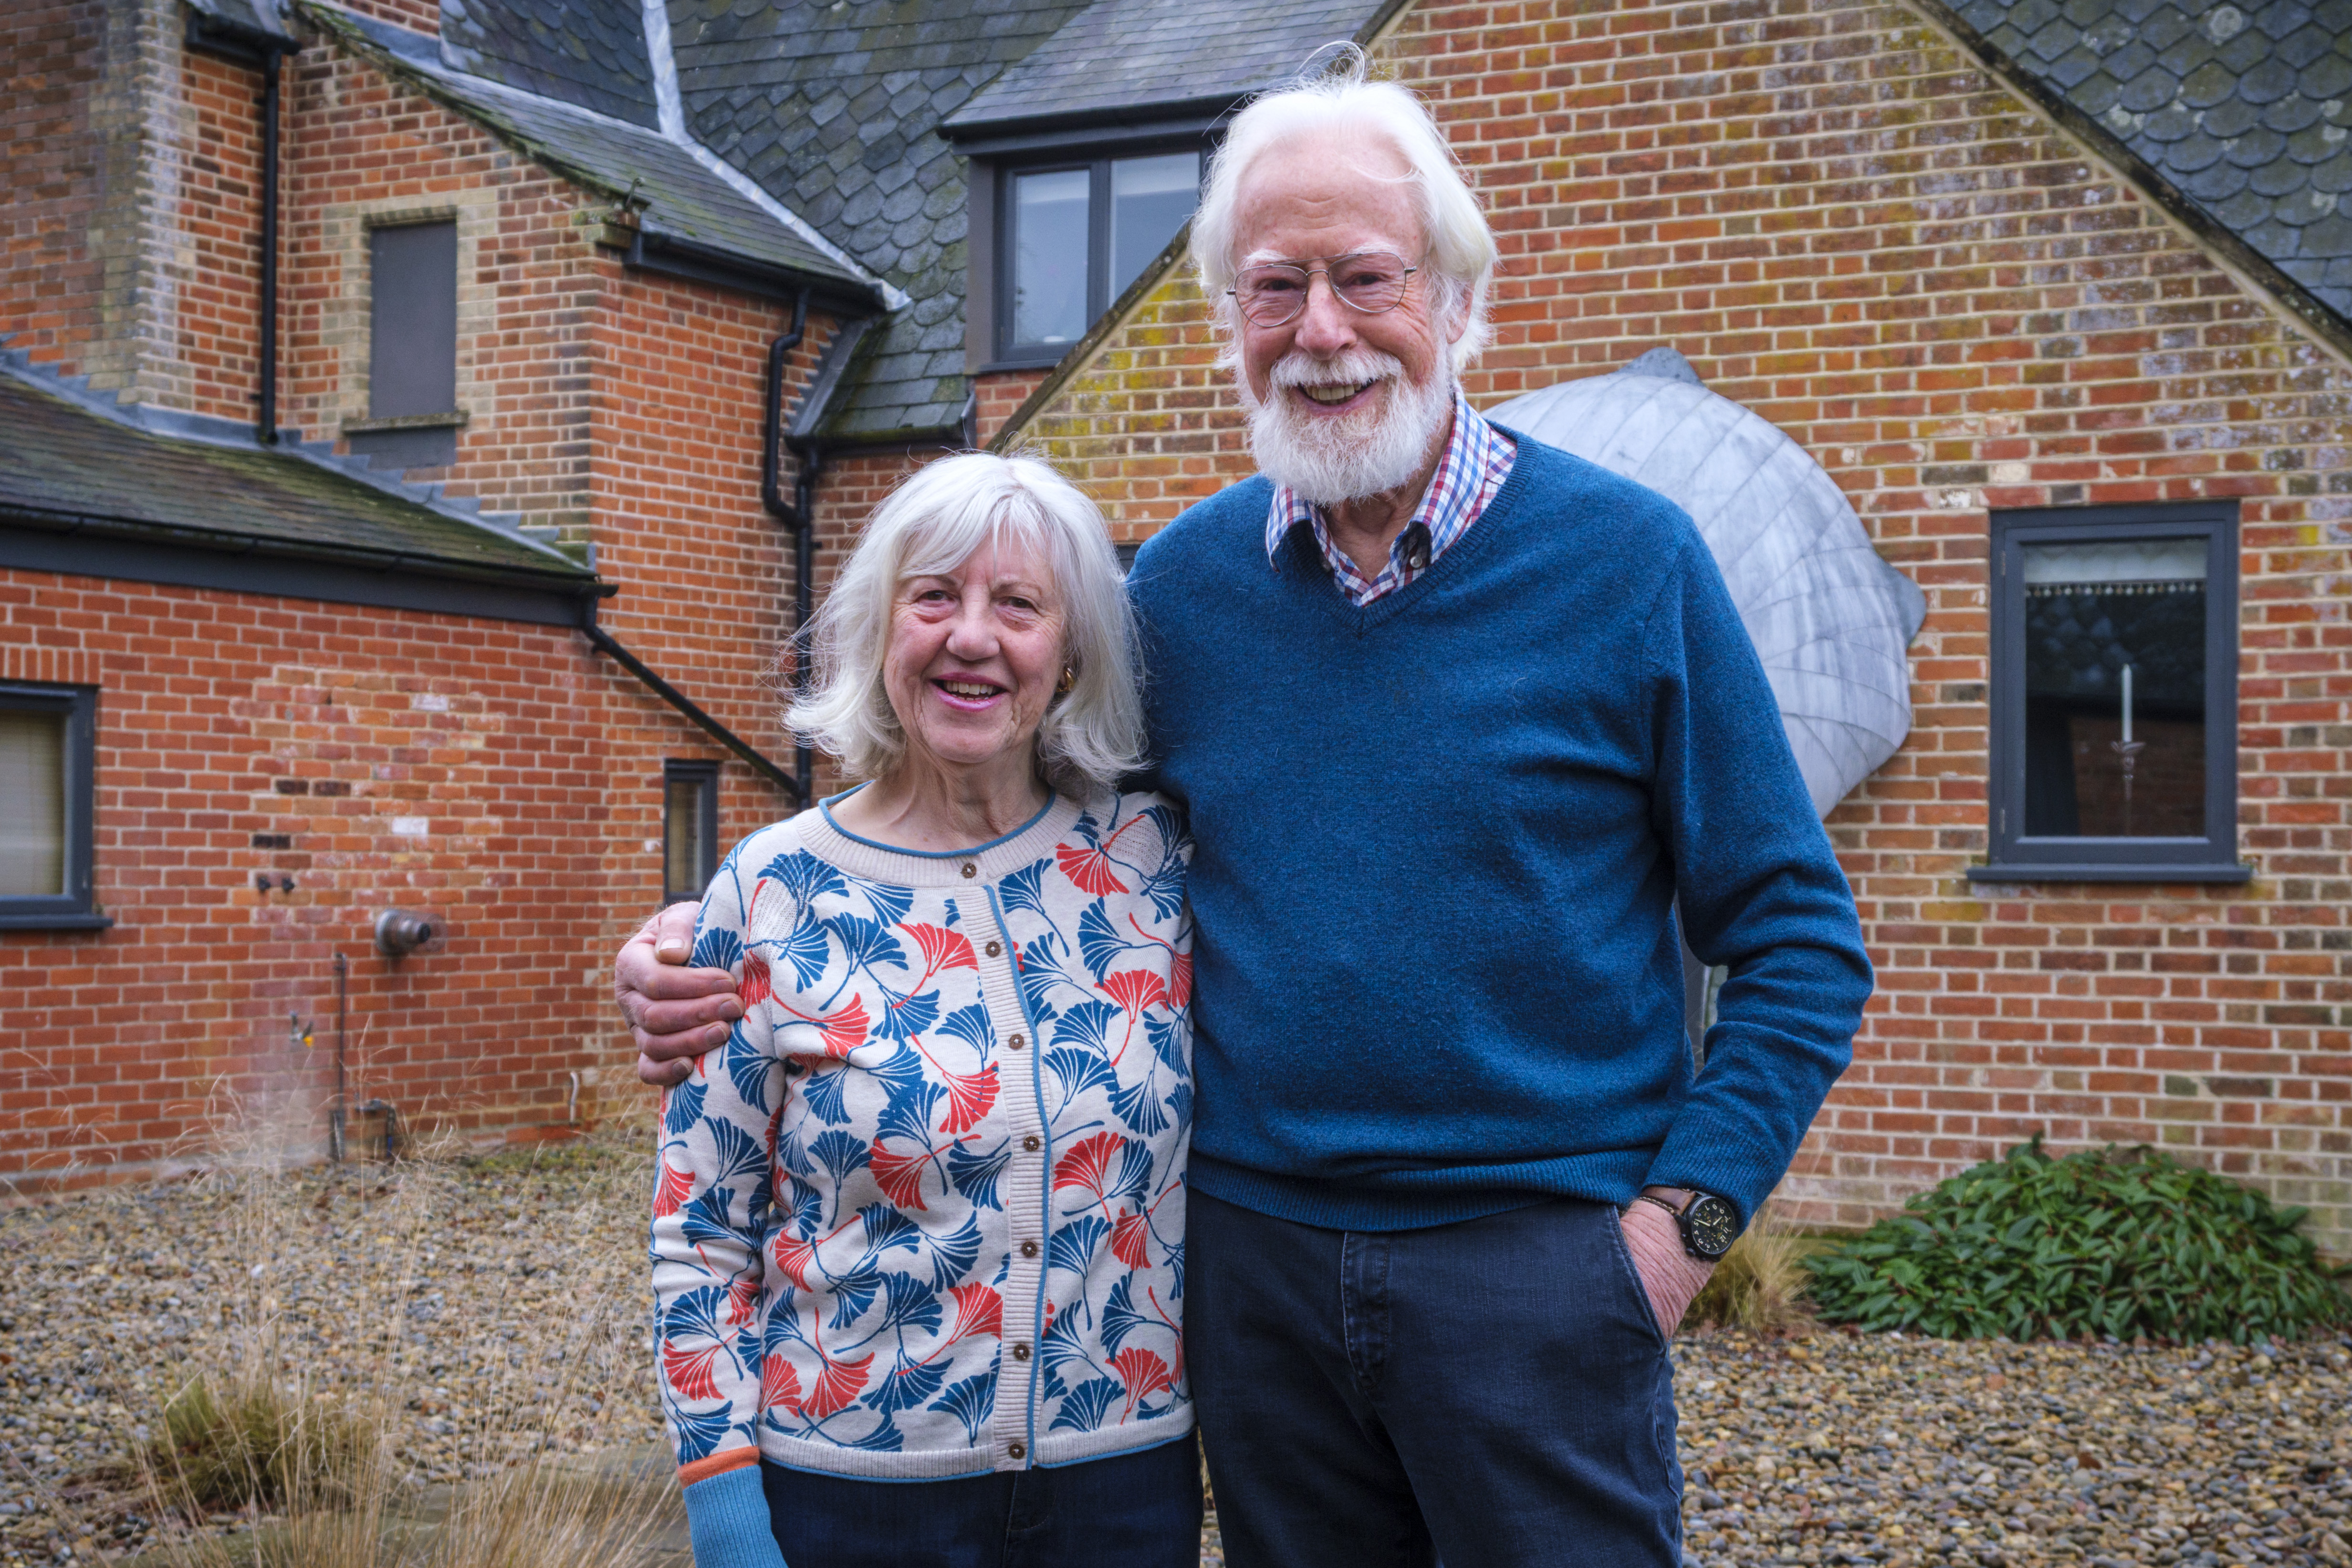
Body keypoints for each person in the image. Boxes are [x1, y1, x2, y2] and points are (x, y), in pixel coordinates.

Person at [624, 55, 1872, 1568]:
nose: (1323, 331)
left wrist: (1676, 1231)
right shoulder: (1187, 595)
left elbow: (1798, 938)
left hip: (1533, 1266)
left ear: (1456, 301)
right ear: (1229, 318)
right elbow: (1002, 816)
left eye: (1366, 278)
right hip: (1250, 1278)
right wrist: (720, 936)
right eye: (1276, 286)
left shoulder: (1630, 565)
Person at [648, 451, 1200, 1568]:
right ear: (879, 628)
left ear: (1073, 648)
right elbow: (701, 1233)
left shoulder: (1151, 859)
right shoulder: (770, 889)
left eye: (1018, 604)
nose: (971, 637)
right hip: (848, 1500)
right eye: (934, 595)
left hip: (1123, 1495)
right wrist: (724, 1507)